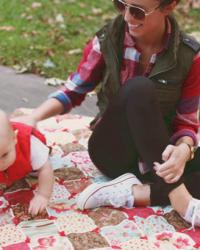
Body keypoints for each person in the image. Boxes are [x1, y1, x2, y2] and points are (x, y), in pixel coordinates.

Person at [14, 0, 200, 227]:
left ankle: (134, 193)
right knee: (139, 88)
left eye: (138, 11)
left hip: (159, 157)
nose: (127, 17)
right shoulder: (108, 40)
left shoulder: (189, 55)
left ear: (169, 6)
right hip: (113, 151)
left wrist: (184, 148)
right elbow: (74, 90)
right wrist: (34, 116)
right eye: (120, 4)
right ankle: (180, 198)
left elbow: (186, 121)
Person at [0, 110, 54, 216]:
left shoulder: (31, 146)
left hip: (26, 139)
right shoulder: (4, 145)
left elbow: (45, 168)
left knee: (37, 167)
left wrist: (43, 195)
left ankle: (27, 119)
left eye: (4, 155)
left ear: (14, 139)